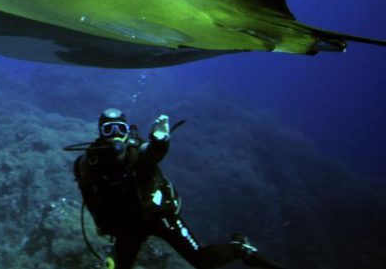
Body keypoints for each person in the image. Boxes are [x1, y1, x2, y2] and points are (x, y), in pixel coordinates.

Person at [72, 108, 287, 269]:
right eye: (108, 129)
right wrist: (103, 225)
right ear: (100, 133)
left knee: (202, 261)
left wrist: (159, 141)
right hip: (129, 226)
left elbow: (152, 153)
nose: (115, 135)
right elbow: (90, 199)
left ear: (128, 132)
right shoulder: (88, 164)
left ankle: (241, 249)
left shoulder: (137, 152)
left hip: (160, 216)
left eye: (120, 128)